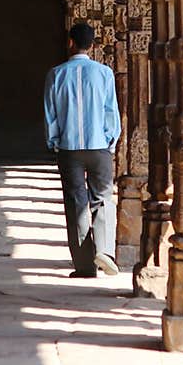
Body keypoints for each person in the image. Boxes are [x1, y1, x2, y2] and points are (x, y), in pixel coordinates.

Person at [43, 22, 121, 278]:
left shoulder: (56, 74)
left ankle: (85, 266)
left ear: (70, 42)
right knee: (102, 199)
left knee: (76, 203)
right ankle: (106, 251)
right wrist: (111, 140)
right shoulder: (104, 73)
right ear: (94, 45)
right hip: (99, 146)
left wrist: (55, 142)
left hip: (69, 148)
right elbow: (112, 112)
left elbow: (50, 114)